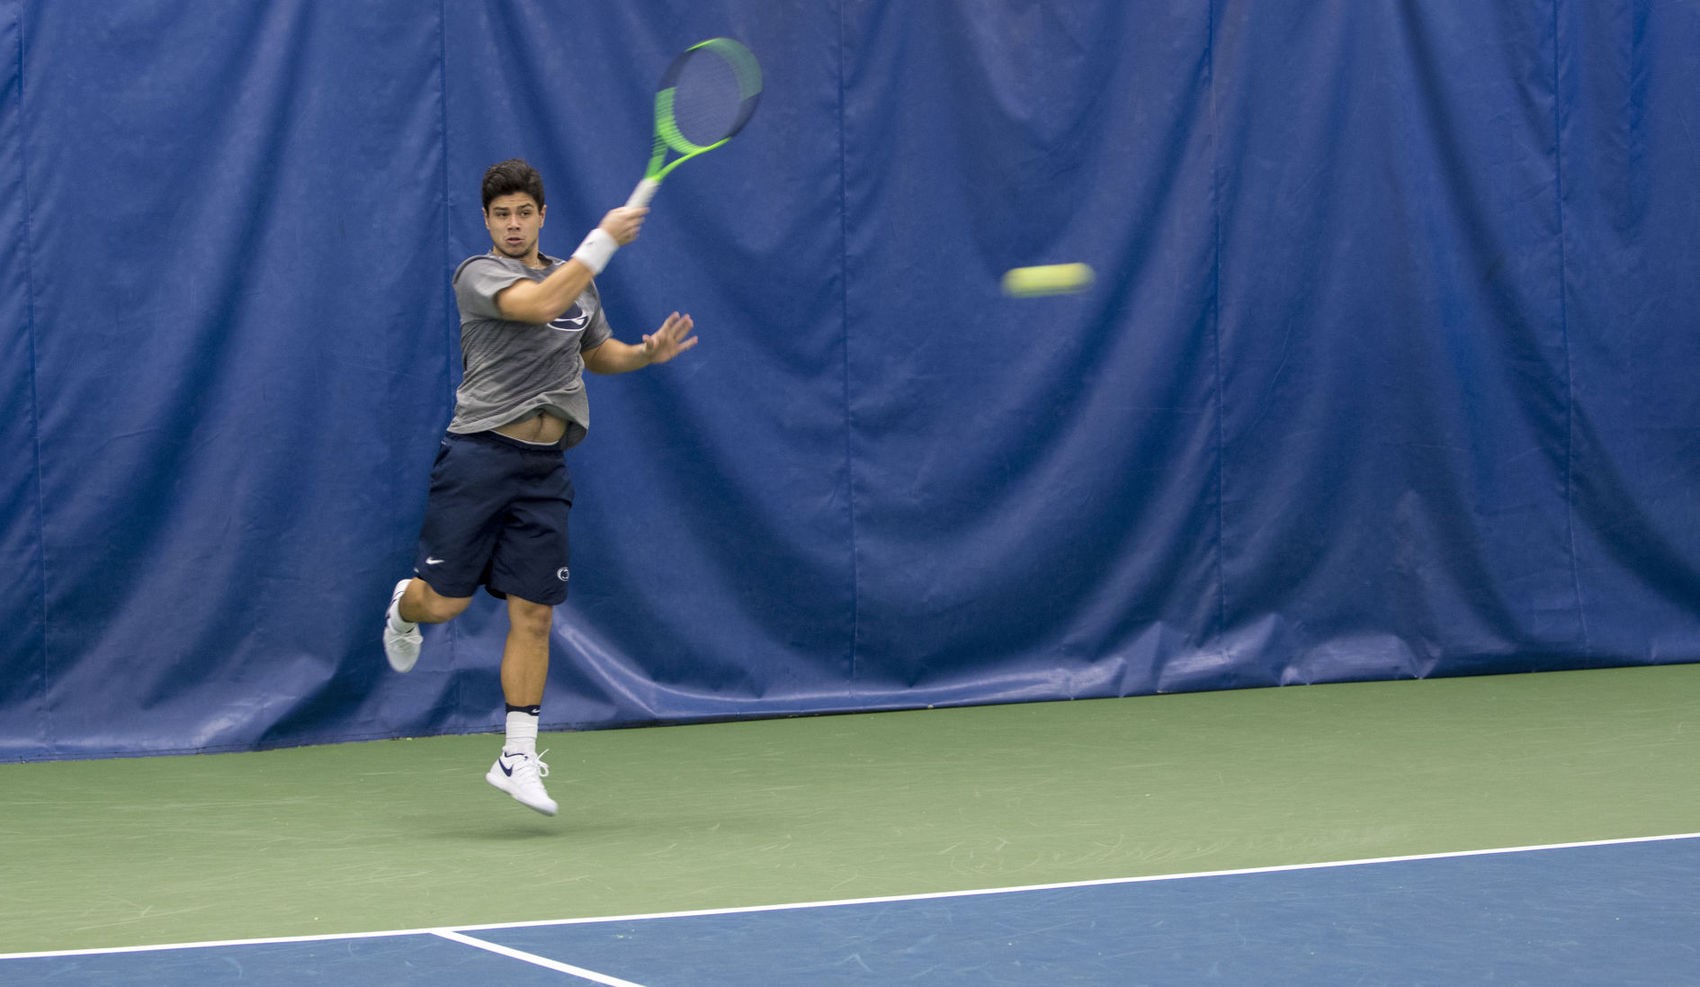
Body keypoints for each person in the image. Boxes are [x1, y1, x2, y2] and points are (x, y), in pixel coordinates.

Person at [382, 158, 697, 816]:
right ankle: (403, 606)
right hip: (477, 457)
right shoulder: (480, 274)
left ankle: (517, 754)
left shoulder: (576, 285)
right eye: (502, 215)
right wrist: (603, 239)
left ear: (542, 215)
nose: (515, 224)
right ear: (488, 221)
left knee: (535, 611)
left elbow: (595, 350)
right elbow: (541, 303)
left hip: (545, 466)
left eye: (525, 212)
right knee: (443, 605)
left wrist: (645, 355)